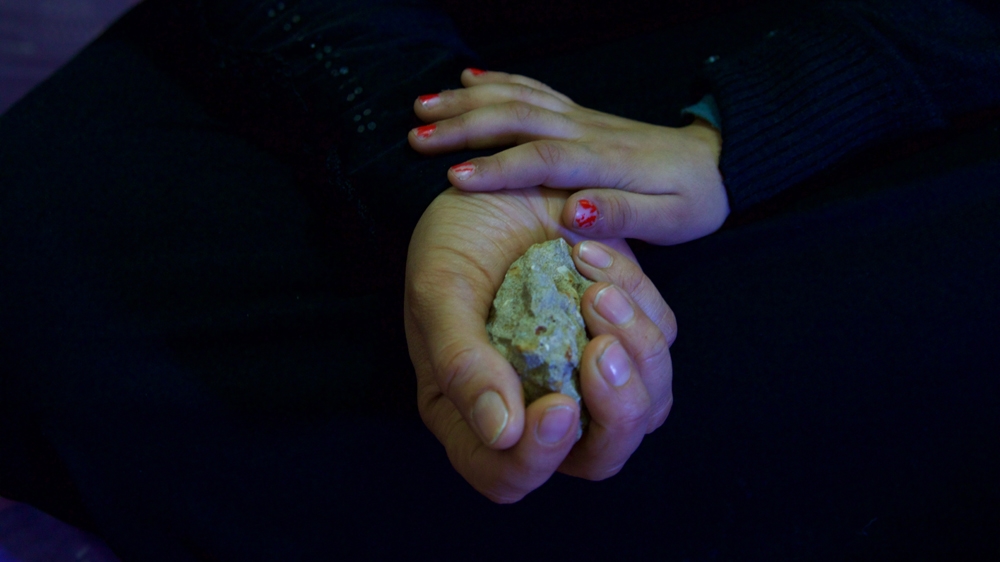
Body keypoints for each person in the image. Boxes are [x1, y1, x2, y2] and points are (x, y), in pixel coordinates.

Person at [1, 0, 998, 559]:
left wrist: (739, 132)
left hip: (903, 66)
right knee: (44, 264)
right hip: (430, 41)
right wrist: (449, 152)